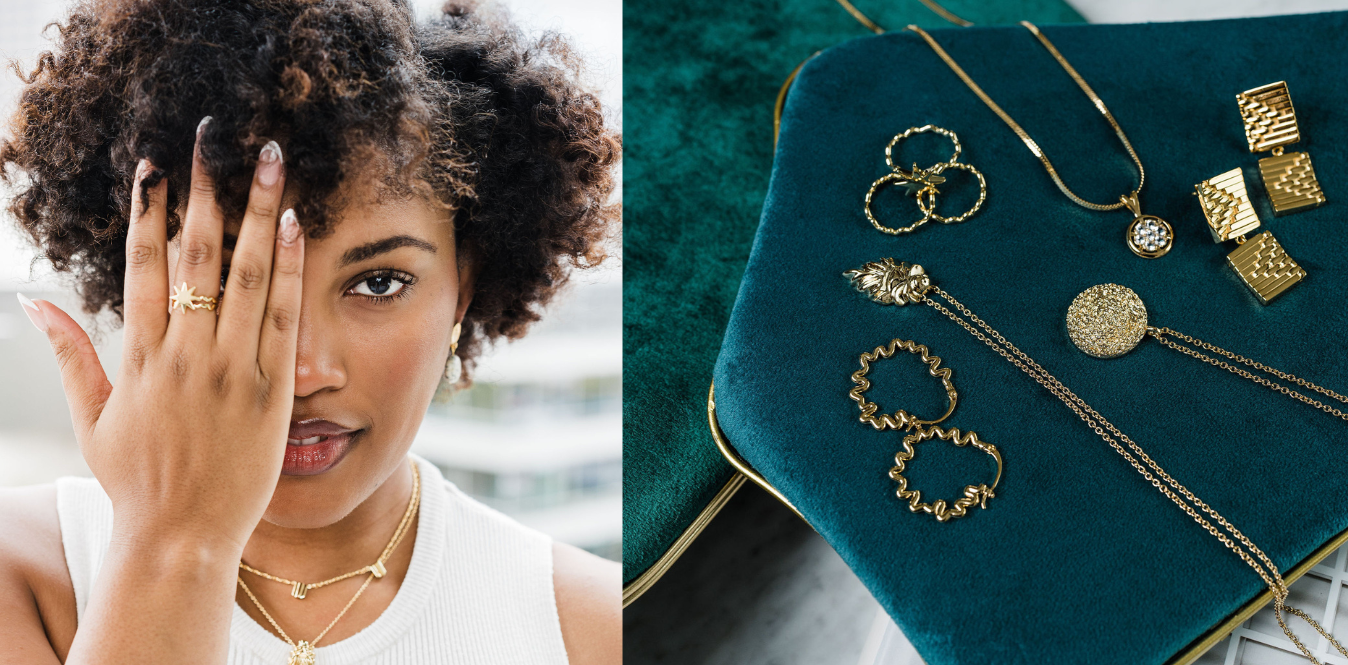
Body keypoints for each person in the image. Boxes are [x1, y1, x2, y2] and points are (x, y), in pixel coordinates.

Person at [0, 0, 621, 662]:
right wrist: (176, 539)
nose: (301, 370)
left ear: (464, 289)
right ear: (142, 276)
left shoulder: (593, 628)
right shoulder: (24, 576)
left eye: (378, 283)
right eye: (242, 272)